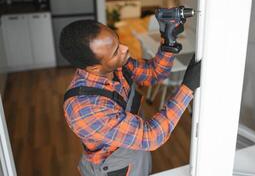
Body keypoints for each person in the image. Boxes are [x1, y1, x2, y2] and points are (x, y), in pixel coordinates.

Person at [60, 19, 200, 176]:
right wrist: (187, 88)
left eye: (118, 42)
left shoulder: (116, 65)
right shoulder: (84, 109)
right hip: (116, 168)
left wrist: (168, 42)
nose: (125, 49)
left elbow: (152, 72)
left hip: (135, 149)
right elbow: (150, 136)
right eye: (115, 52)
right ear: (94, 68)